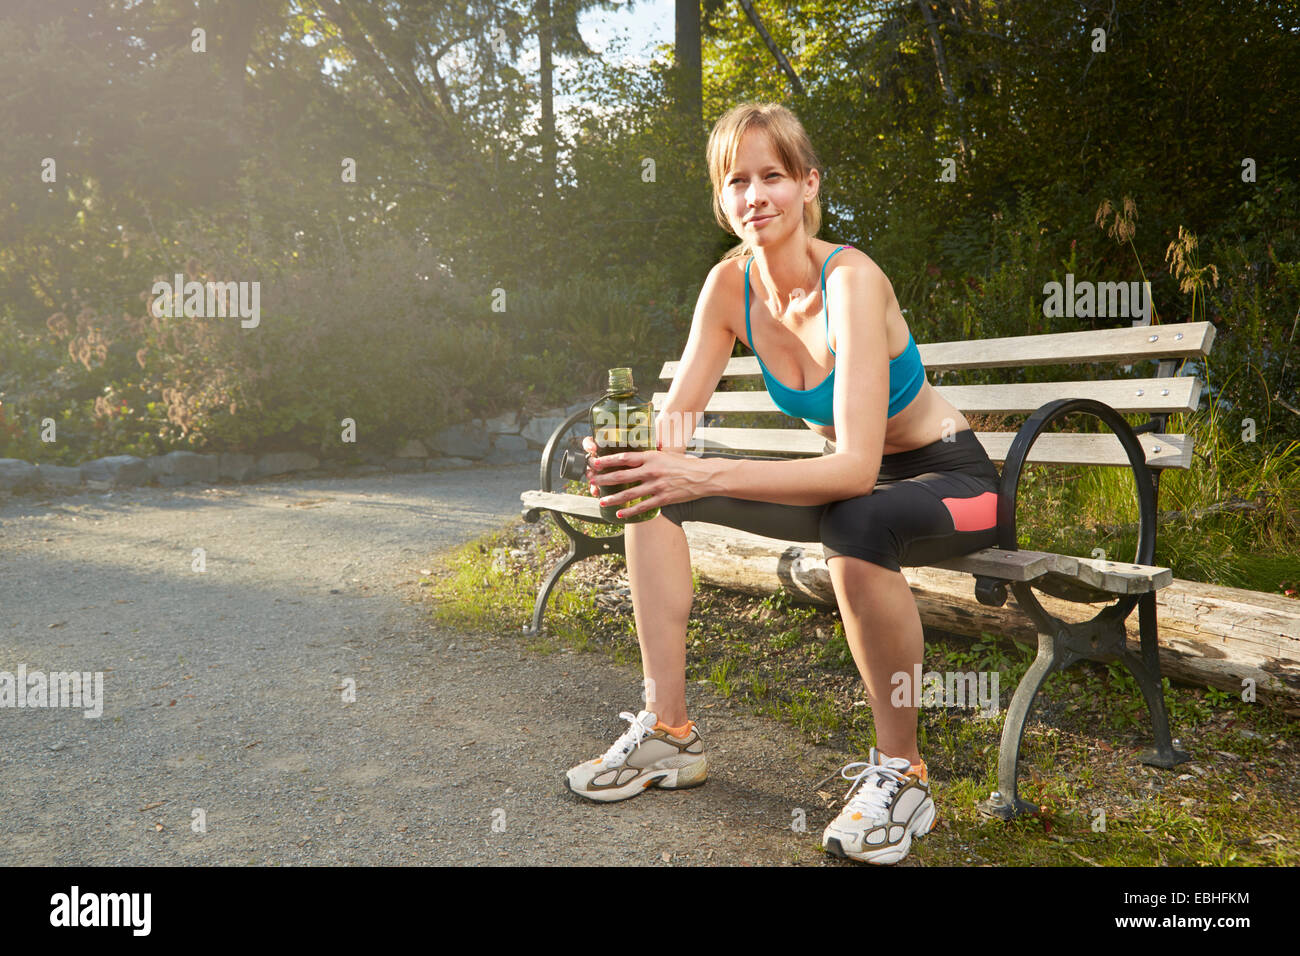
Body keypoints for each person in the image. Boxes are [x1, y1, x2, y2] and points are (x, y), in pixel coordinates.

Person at [564, 102, 1001, 865]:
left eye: (773, 176)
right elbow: (677, 424)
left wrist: (697, 466)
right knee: (649, 494)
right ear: (720, 197)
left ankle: (903, 772)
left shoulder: (853, 281)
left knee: (856, 524)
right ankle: (668, 731)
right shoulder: (727, 289)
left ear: (808, 185)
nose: (754, 195)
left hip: (949, 479)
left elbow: (857, 471)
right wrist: (634, 453)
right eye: (737, 180)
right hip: (848, 485)